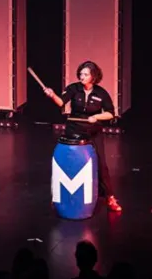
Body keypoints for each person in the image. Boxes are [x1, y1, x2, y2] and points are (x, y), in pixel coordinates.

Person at [43, 60, 122, 212]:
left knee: (101, 164)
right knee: (65, 162)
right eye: (81, 74)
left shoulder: (101, 93)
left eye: (86, 74)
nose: (82, 77)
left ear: (94, 76)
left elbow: (111, 113)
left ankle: (110, 197)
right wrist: (52, 95)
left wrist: (97, 117)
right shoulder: (73, 88)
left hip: (93, 131)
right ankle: (58, 196)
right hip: (73, 129)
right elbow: (61, 103)